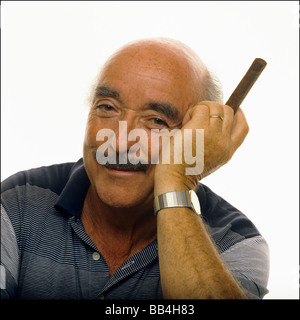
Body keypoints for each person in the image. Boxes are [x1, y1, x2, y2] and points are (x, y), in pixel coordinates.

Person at [1, 38, 269, 299]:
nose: (119, 141)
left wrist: (176, 181)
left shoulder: (235, 242)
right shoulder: (18, 204)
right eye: (107, 108)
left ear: (197, 138)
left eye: (156, 120)